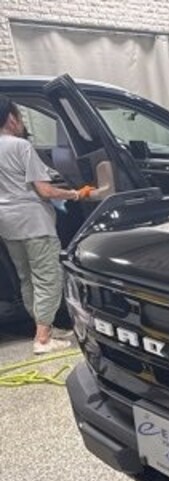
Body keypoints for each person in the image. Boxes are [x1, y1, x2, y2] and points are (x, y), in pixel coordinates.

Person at [0, 96, 93, 353]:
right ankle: (43, 339)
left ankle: (44, 327)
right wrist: (77, 194)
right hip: (33, 222)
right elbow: (45, 191)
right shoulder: (20, 147)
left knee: (26, 277)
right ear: (11, 118)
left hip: (7, 224)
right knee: (48, 277)